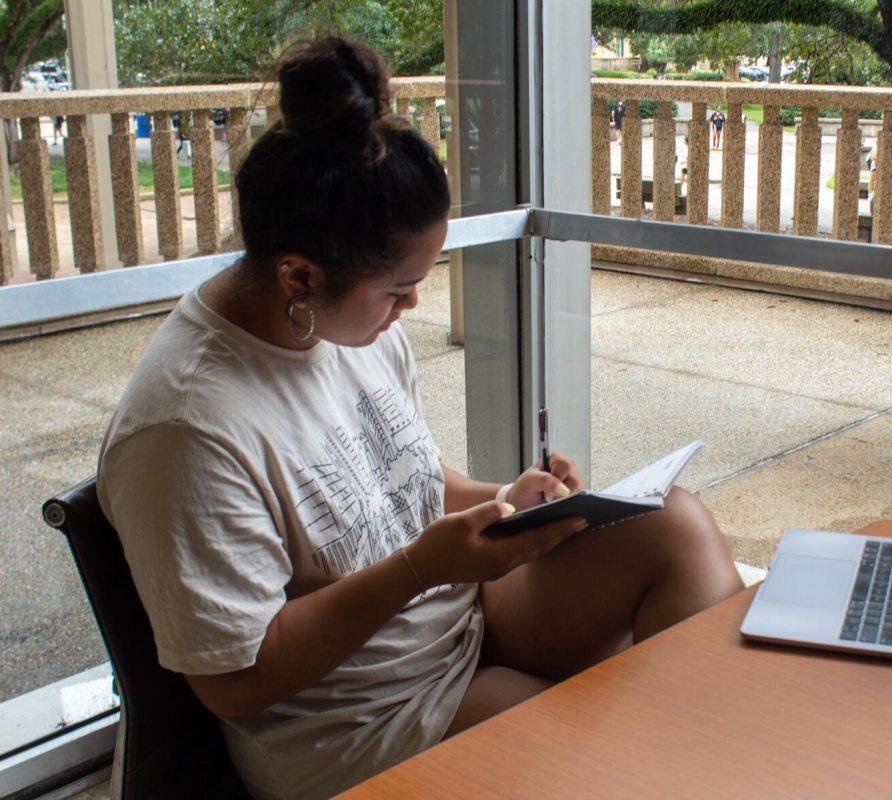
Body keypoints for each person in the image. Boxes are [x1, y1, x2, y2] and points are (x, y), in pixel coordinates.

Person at [97, 37, 742, 800]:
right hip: (366, 718)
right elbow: (235, 682)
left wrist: (512, 499)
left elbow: (408, 483)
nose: (413, 308)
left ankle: (717, 764)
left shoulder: (343, 325)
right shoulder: (185, 428)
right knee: (601, 759)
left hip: (453, 620)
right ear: (299, 274)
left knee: (672, 523)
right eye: (399, 289)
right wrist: (422, 568)